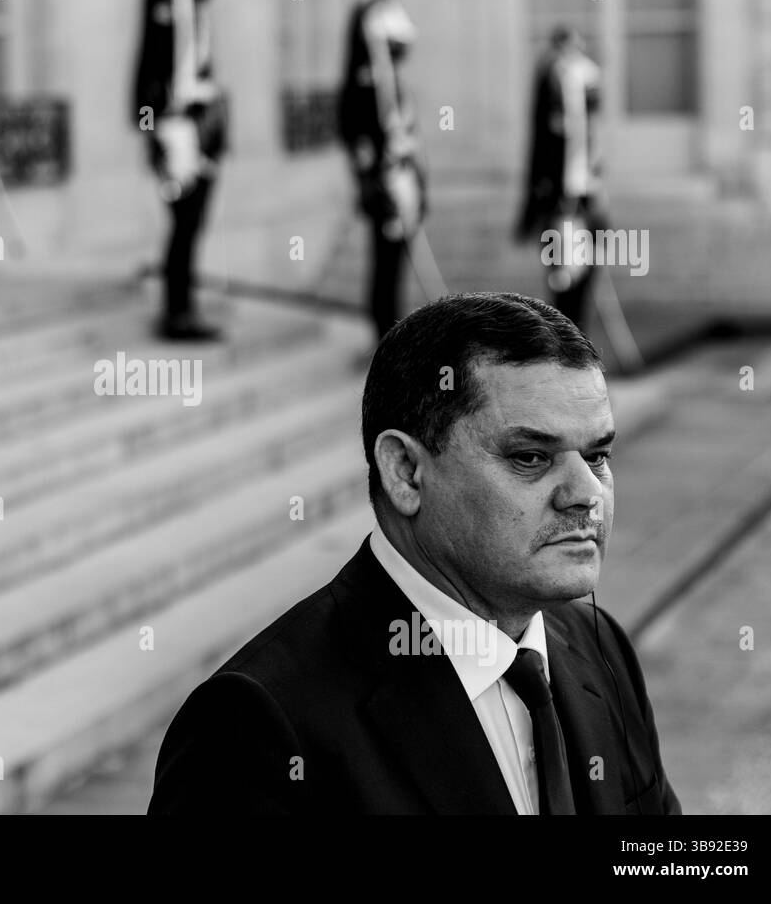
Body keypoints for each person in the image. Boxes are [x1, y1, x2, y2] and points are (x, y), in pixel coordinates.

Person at [148, 293, 681, 815]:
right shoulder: (256, 727)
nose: (586, 494)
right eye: (530, 457)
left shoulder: (598, 643)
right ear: (404, 472)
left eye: (598, 455)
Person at [132, 0, 226, 342]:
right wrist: (152, 129)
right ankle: (176, 311)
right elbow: (149, 66)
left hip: (201, 118)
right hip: (174, 121)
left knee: (194, 219)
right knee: (183, 221)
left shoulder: (195, 14)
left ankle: (184, 305)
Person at [337, 0, 427, 343]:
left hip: (403, 166)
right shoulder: (370, 28)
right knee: (385, 256)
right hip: (383, 170)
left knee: (400, 254)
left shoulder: (396, 80)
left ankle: (393, 327)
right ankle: (383, 331)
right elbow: (356, 125)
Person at [516, 25, 607, 331]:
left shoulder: (584, 75)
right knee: (562, 266)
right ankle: (565, 330)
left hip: (584, 191)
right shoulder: (553, 76)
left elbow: (592, 132)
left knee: (587, 261)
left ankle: (578, 326)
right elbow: (545, 143)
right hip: (560, 194)